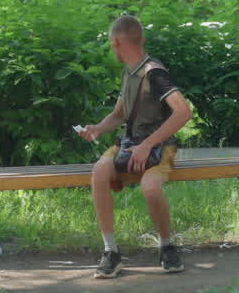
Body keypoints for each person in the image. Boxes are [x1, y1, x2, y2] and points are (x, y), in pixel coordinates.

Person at [77, 14, 192, 278]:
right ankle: (111, 252)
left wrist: (148, 144)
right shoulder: (129, 71)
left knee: (150, 188)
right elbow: (119, 115)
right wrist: (97, 128)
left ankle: (167, 246)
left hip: (160, 147)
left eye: (110, 42)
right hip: (130, 144)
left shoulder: (154, 72)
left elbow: (183, 112)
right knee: (99, 173)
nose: (110, 46)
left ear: (117, 42)